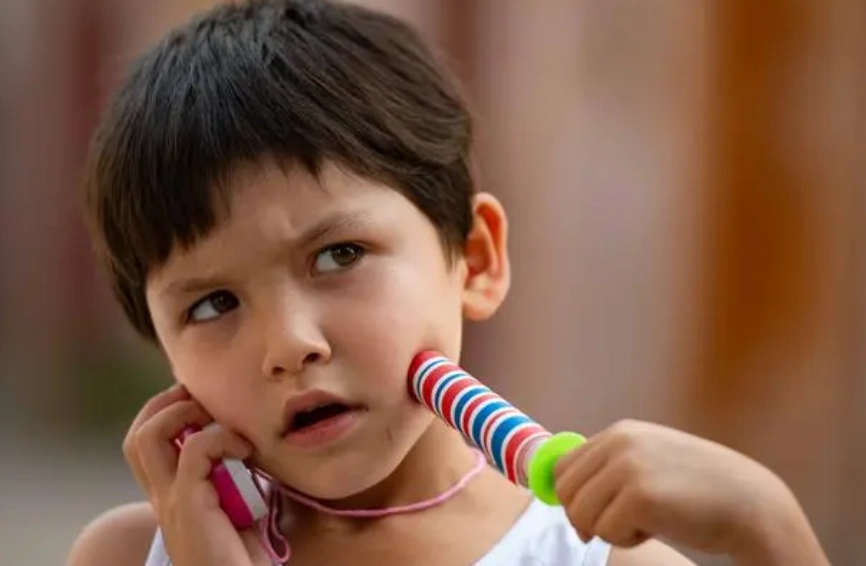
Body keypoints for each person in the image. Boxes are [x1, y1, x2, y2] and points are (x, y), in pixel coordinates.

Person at [66, 1, 831, 565]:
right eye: (212, 303)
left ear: (476, 256)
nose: (290, 344)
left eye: (339, 256)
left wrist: (770, 530)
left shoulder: (597, 557)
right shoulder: (132, 556)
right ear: (164, 353)